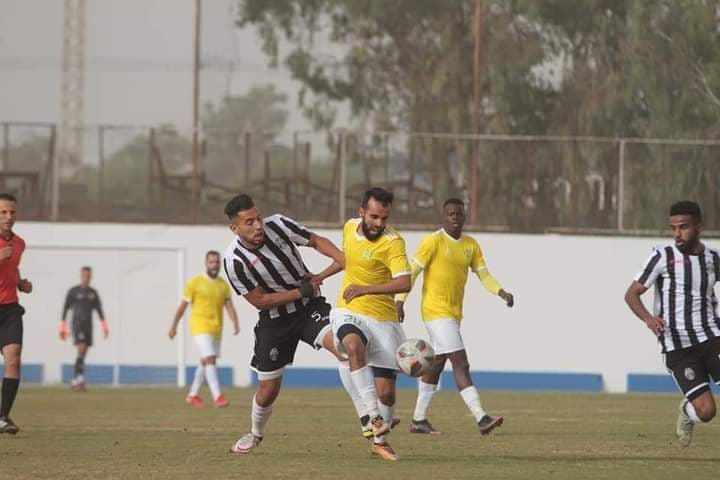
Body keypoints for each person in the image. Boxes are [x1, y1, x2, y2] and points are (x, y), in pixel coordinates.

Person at [222, 194, 347, 454]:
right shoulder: (233, 260)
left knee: (343, 346)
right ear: (235, 228)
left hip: (309, 308)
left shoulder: (278, 224)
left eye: (258, 218)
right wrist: (299, 292)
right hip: (275, 322)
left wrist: (340, 257)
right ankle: (255, 434)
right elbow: (259, 300)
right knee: (268, 390)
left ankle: (371, 417)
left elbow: (314, 240)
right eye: (249, 222)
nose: (258, 225)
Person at [396, 198, 514, 435]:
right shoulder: (432, 242)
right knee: (461, 362)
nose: (455, 217)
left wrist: (501, 291)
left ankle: (418, 420)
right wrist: (400, 300)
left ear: (464, 216)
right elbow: (412, 273)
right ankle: (481, 417)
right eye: (450, 213)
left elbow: (484, 275)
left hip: (453, 314)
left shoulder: (471, 245)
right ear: (443, 217)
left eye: (459, 214)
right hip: (434, 312)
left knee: (436, 365)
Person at [625, 200, 720, 447]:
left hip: (711, 336)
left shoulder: (713, 259)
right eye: (673, 228)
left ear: (698, 227)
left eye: (683, 227)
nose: (677, 233)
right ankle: (688, 411)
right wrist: (648, 318)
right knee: (707, 411)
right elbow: (631, 294)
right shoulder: (662, 256)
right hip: (677, 345)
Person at [330, 187, 412, 461]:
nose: (379, 223)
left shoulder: (393, 242)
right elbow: (346, 261)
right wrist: (320, 275)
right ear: (361, 213)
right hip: (349, 310)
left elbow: (404, 281)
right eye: (374, 216)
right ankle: (372, 416)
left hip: (383, 320)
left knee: (387, 393)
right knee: (352, 347)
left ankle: (380, 439)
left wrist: (366, 288)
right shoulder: (349, 228)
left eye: (384, 218)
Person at [169, 251, 239, 408]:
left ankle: (193, 394)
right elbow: (182, 306)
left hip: (216, 329)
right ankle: (218, 396)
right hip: (199, 326)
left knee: (206, 361)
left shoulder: (223, 285)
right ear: (206, 263)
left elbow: (229, 306)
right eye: (212, 262)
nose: (215, 265)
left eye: (217, 262)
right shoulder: (195, 283)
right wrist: (174, 326)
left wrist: (235, 322)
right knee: (209, 359)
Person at [0, 193, 33, 435]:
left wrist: (21, 283)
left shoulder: (19, 243)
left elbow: (13, 267)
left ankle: (3, 417)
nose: (9, 217)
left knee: (14, 358)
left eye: (12, 212)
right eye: (3, 212)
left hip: (10, 308)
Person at [59, 266, 108, 391]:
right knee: (81, 348)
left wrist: (104, 326)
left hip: (88, 325)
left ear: (91, 277)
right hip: (77, 324)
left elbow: (99, 310)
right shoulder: (73, 291)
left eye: (88, 276)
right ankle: (79, 378)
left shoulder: (93, 293)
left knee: (83, 352)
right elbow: (65, 308)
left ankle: (76, 379)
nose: (86, 278)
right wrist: (62, 326)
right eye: (84, 276)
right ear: (81, 276)